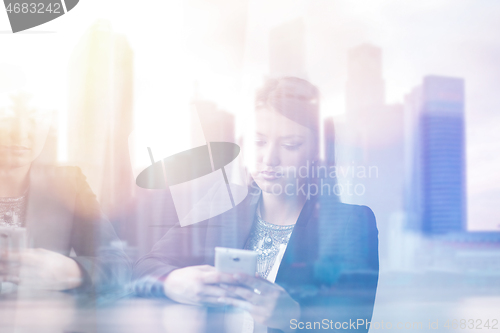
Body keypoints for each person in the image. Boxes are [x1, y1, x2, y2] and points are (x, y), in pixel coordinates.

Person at [133, 77, 379, 332]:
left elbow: (353, 324)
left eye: (290, 145)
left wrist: (295, 317)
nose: (269, 158)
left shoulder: (351, 224)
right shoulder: (221, 211)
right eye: (259, 142)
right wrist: (173, 281)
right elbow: (144, 267)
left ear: (317, 153)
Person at [0, 91, 131, 293]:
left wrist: (72, 271)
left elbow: (119, 265)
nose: (21, 132)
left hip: (40, 318)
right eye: (8, 118)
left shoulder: (67, 185)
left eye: (35, 120)